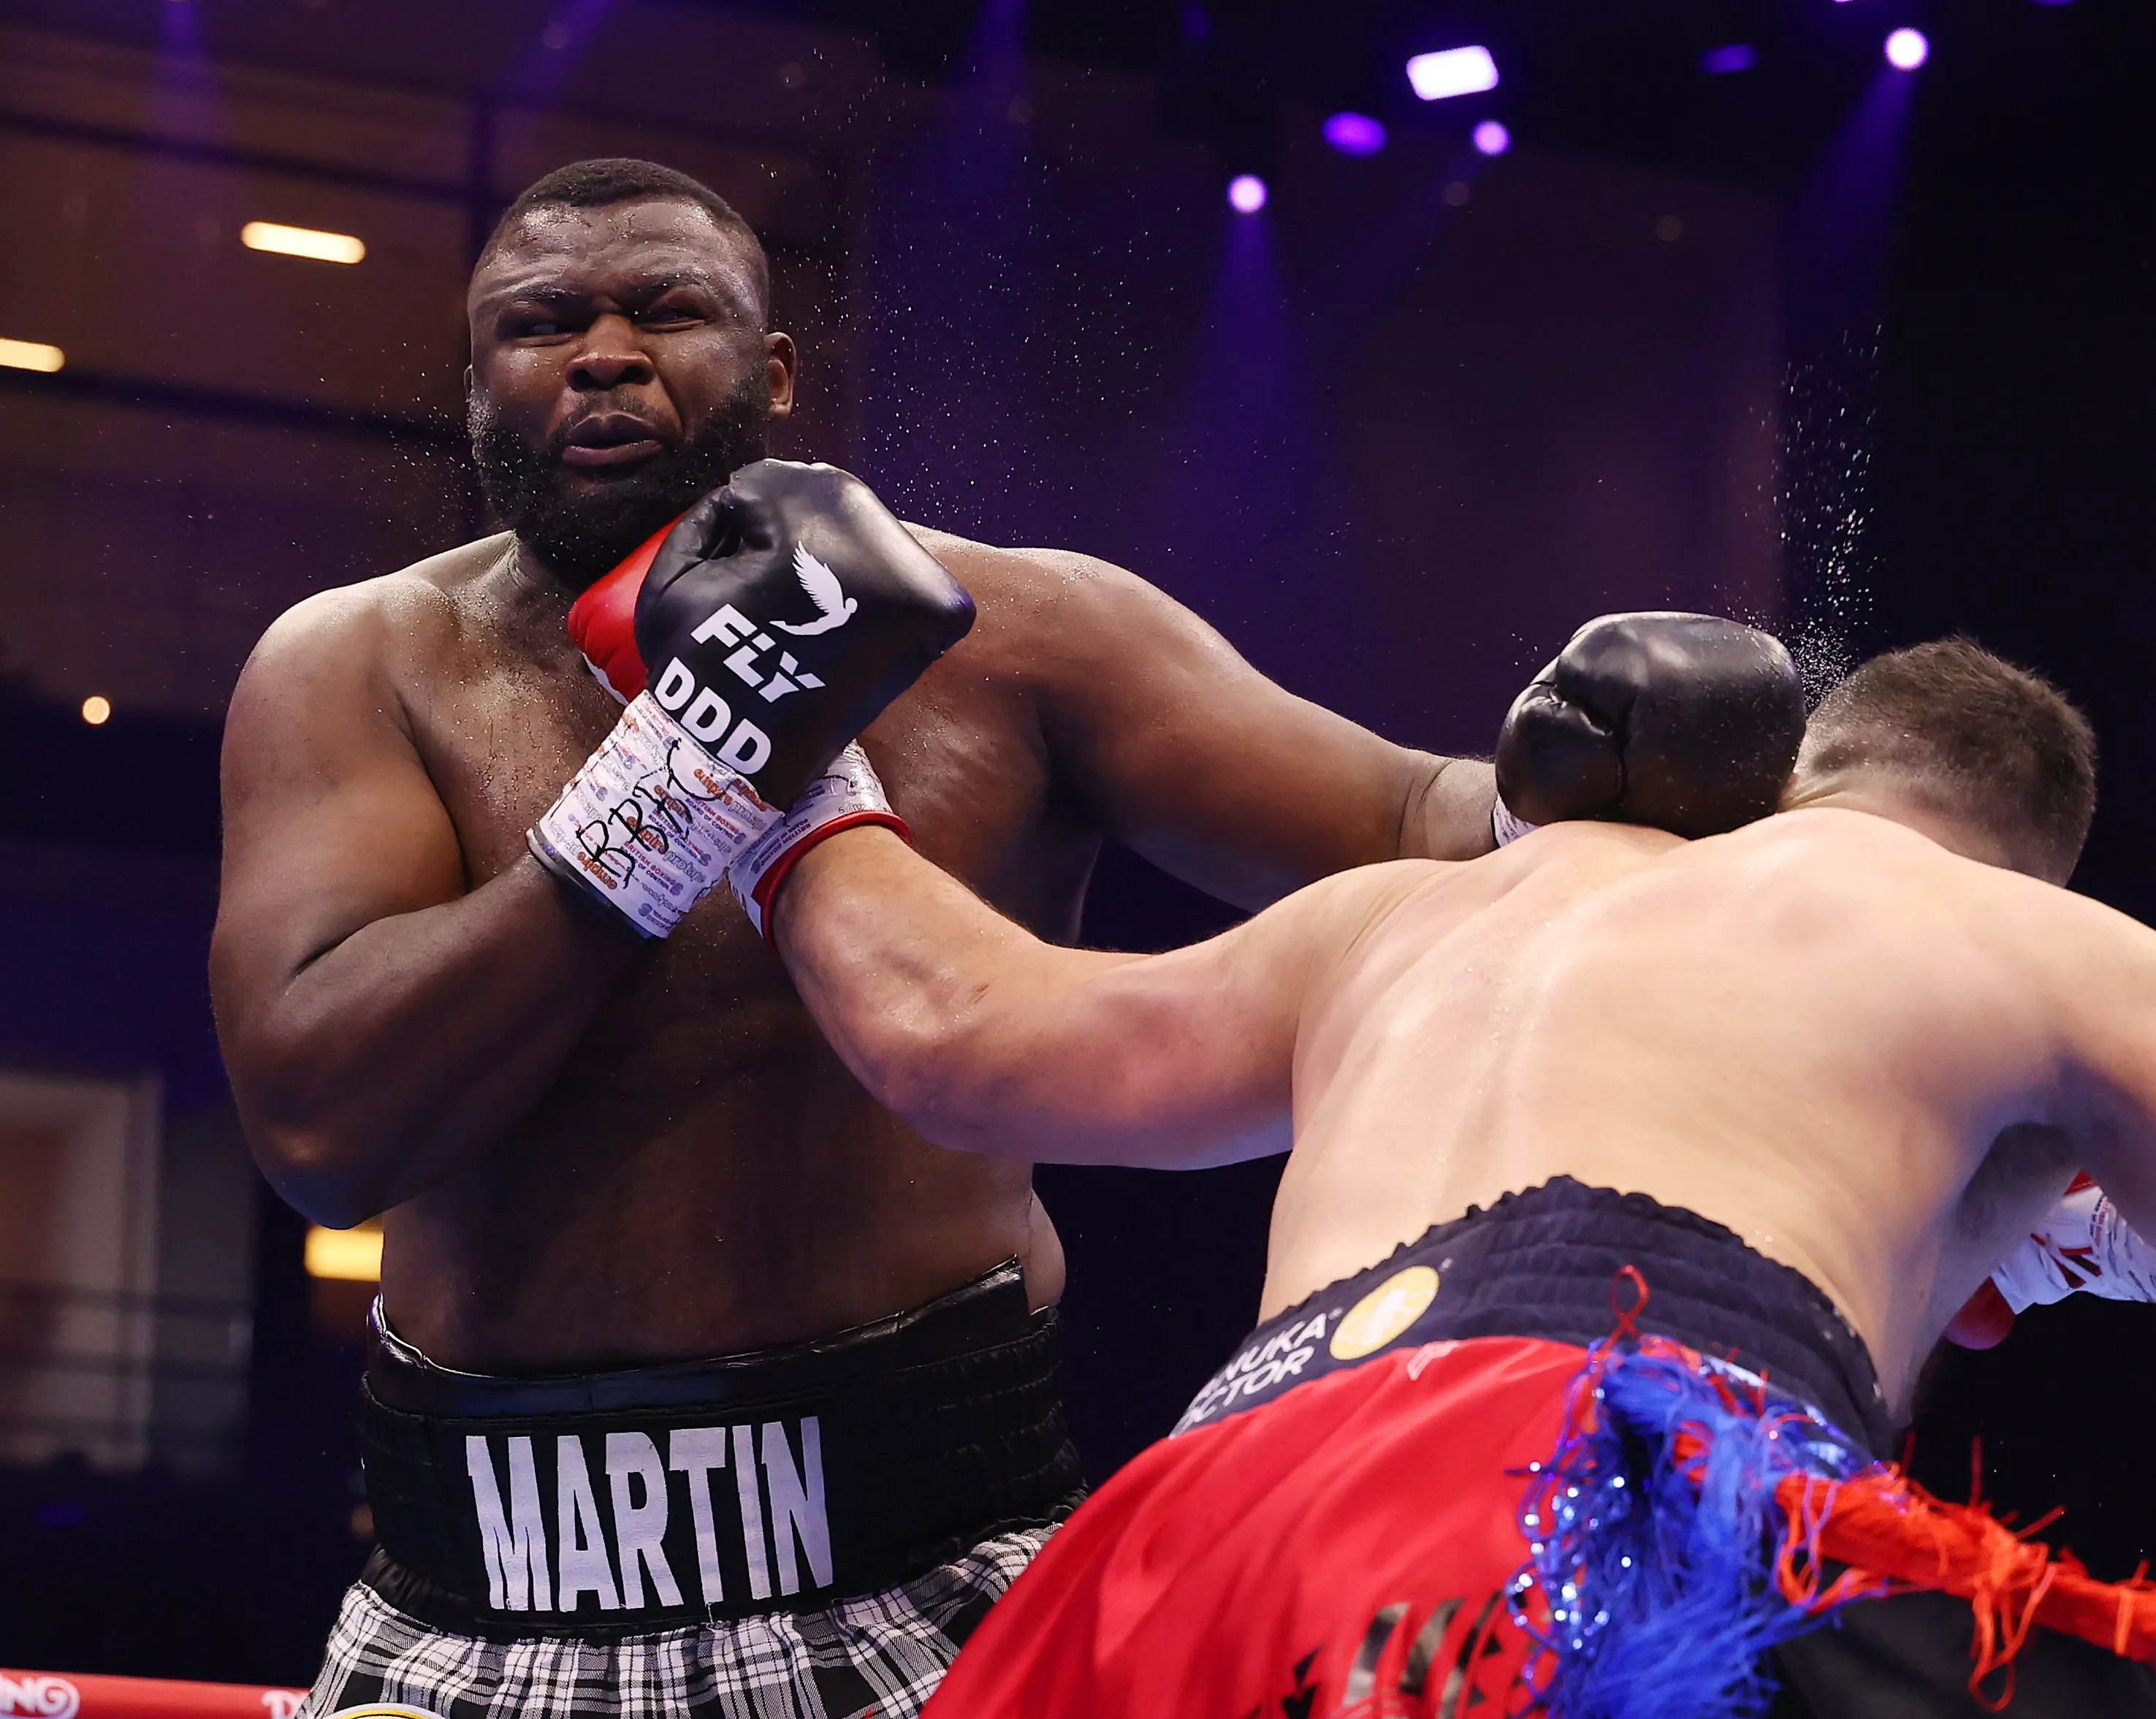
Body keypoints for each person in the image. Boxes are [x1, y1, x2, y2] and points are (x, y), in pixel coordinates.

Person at [207, 156, 1797, 1716]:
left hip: (932, 1583)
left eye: (664, 310)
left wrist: (1596, 769)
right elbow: (321, 1124)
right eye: (542, 322)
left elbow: (1403, 820)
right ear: (479, 380)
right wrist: (676, 786)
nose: (605, 353)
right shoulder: (364, 670)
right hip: (477, 1602)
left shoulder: (1020, 639)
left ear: (770, 370)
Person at [758, 638, 2156, 1719]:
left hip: (1183, 1540)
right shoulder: (1994, 934)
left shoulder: (1422, 912)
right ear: (2022, 857)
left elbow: (948, 1035)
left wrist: (757, 742)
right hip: (1592, 1494)